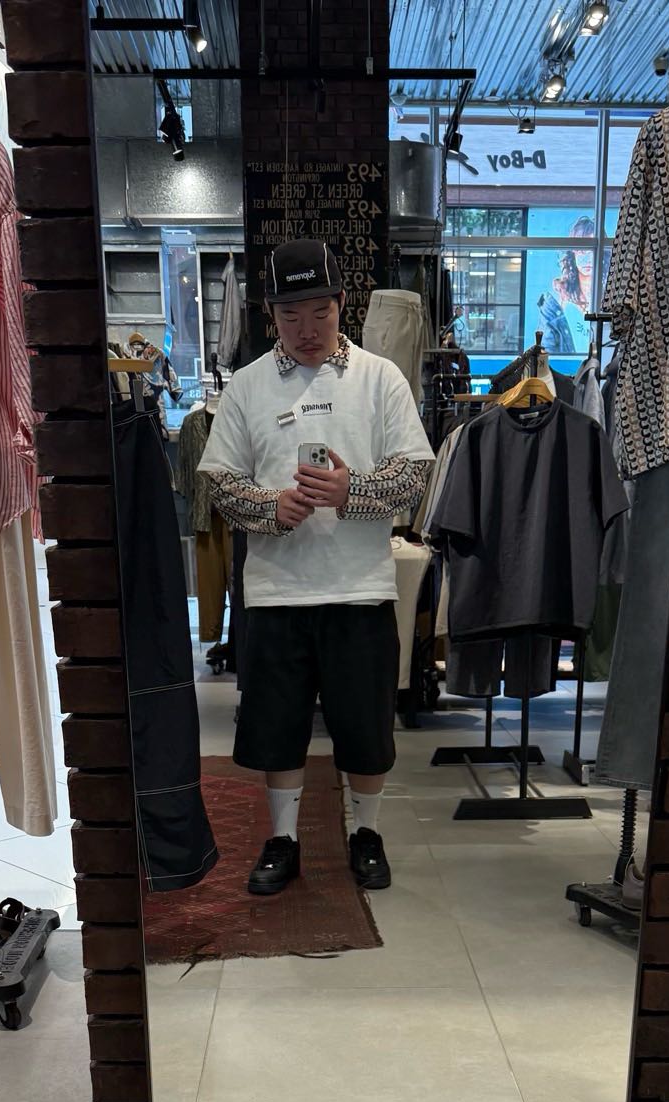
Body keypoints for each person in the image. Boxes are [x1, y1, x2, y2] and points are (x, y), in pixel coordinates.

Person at [199, 238, 434, 895]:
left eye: (320, 312)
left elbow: (413, 474)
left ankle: (368, 832)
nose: (307, 329)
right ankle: (283, 839)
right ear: (270, 314)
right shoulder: (248, 386)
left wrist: (350, 491)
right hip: (276, 591)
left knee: (366, 728)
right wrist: (270, 507)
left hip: (361, 589)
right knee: (277, 729)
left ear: (341, 304)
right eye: (291, 315)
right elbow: (219, 482)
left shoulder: (380, 378)